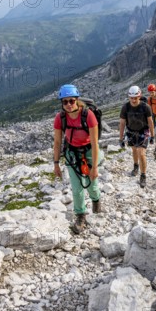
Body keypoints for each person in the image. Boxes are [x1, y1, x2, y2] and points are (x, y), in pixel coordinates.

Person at [53, 84, 102, 234]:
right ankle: (81, 215)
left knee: (92, 184)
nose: (68, 105)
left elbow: (95, 143)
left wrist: (94, 168)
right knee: (76, 188)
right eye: (65, 102)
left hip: (88, 152)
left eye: (71, 101)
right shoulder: (60, 118)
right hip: (72, 153)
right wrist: (56, 164)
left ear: (77, 100)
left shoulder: (88, 115)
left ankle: (96, 199)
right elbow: (57, 142)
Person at [119, 85, 155, 188]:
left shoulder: (145, 107)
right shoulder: (125, 107)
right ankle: (136, 166)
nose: (134, 100)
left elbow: (150, 122)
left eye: (136, 98)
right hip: (130, 131)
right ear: (129, 97)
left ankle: (143, 175)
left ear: (139, 96)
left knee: (141, 152)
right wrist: (120, 138)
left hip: (143, 131)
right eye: (131, 98)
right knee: (134, 150)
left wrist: (152, 136)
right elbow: (122, 123)